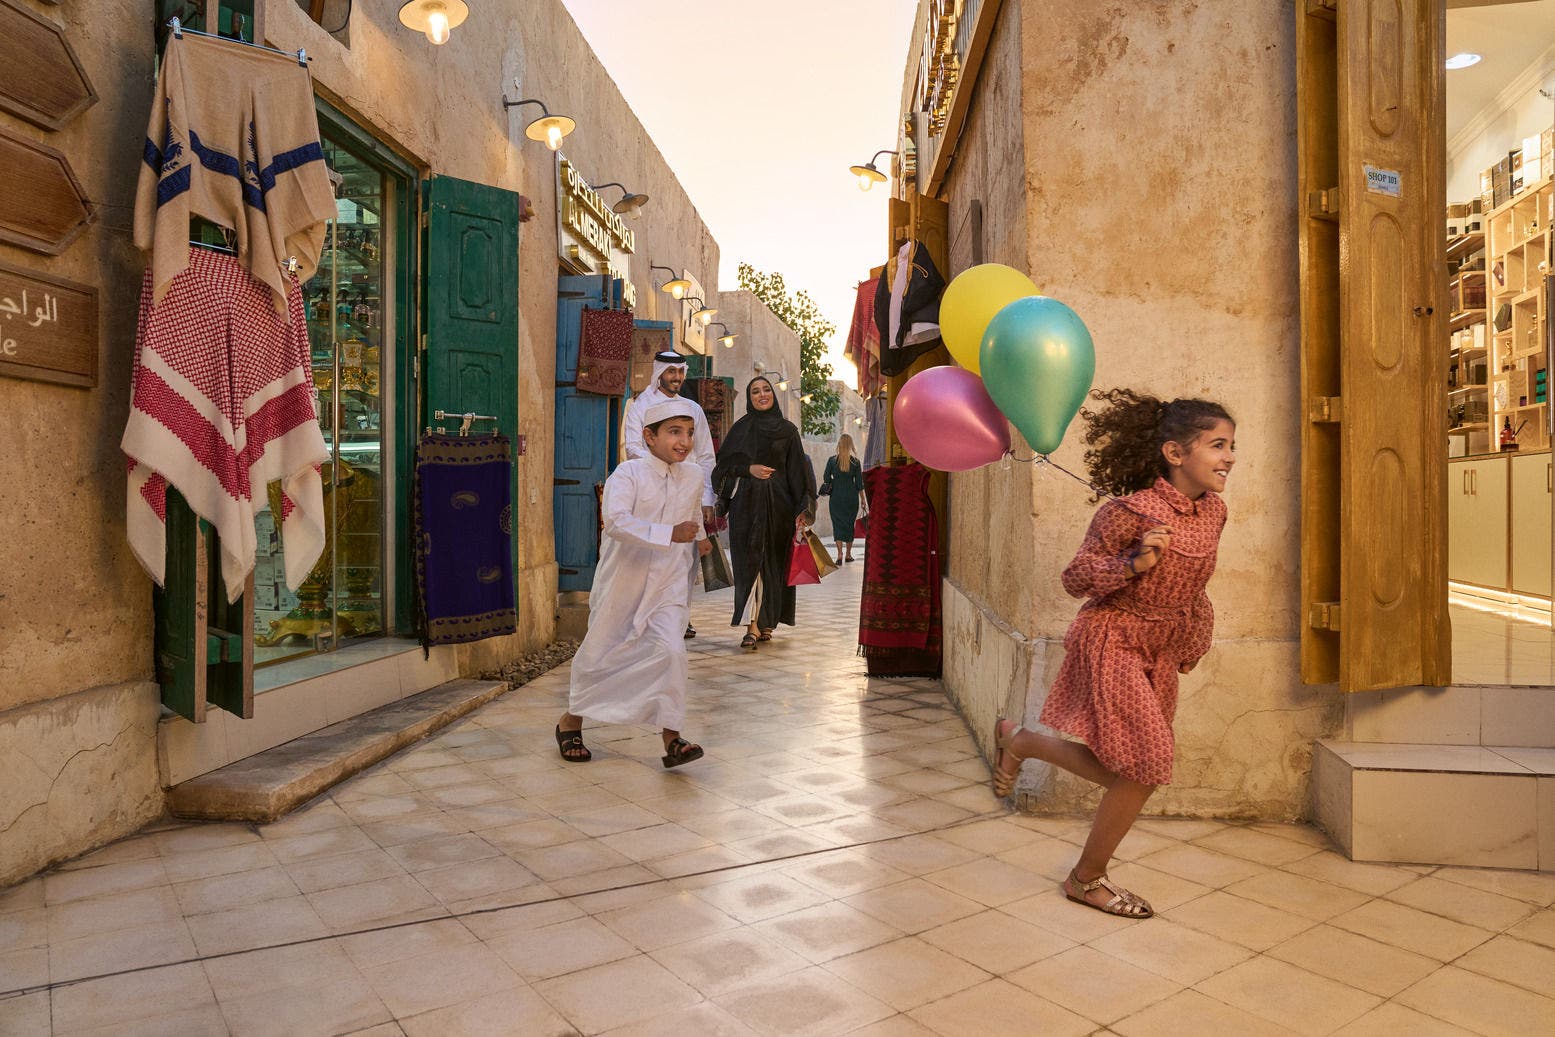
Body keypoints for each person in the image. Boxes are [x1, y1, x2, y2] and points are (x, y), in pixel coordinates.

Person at [990, 390, 1235, 919]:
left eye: (1231, 446)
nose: (1230, 457)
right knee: (1145, 767)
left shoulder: (1215, 512)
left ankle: (1023, 740)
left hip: (1162, 647)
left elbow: (1197, 587)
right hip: (1113, 638)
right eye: (1218, 445)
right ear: (1175, 453)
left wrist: (1194, 639)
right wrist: (1132, 562)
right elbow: (1075, 578)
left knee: (1127, 767)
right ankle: (1086, 879)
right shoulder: (1128, 513)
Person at [556, 398, 712, 768]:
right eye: (674, 432)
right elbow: (616, 522)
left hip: (668, 583)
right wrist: (669, 533)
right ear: (649, 436)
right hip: (624, 581)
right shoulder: (627, 475)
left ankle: (672, 738)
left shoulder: (692, 475)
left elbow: (690, 514)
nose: (684, 441)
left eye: (689, 433)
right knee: (602, 653)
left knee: (671, 652)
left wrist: (700, 535)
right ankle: (570, 721)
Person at [712, 376, 815, 651]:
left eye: (766, 390)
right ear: (750, 398)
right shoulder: (741, 430)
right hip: (746, 508)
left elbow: (799, 474)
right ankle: (751, 625)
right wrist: (749, 470)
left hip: (779, 509)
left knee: (773, 566)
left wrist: (802, 509)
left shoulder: (788, 431)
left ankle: (765, 621)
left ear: (773, 394)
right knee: (750, 564)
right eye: (755, 391)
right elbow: (722, 468)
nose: (762, 395)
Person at [622, 350, 718, 639]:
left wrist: (707, 498)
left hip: (686, 493)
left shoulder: (692, 408)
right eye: (671, 372)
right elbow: (633, 447)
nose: (676, 377)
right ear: (659, 373)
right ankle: (646, 615)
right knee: (652, 553)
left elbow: (705, 456)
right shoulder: (641, 406)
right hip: (651, 492)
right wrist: (663, 464)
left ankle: (679, 615)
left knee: (684, 560)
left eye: (680, 372)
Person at [820, 433, 865, 564]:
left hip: (836, 497)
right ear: (850, 445)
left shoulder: (832, 460)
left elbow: (826, 478)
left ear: (839, 445)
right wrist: (863, 500)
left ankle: (839, 555)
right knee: (849, 525)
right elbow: (859, 484)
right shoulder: (855, 462)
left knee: (837, 524)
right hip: (851, 497)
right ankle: (848, 554)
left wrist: (834, 481)